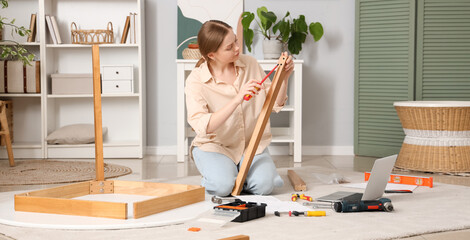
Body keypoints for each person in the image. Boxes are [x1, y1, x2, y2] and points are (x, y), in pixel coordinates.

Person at [185, 20, 294, 197]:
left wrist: (284, 77)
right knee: (222, 187)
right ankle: (224, 175)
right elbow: (203, 126)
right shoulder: (196, 80)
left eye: (235, 41)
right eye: (229, 47)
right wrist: (237, 99)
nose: (237, 48)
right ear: (212, 55)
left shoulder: (249, 64)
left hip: (251, 146)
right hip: (215, 146)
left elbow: (275, 105)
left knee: (264, 186)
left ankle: (239, 174)